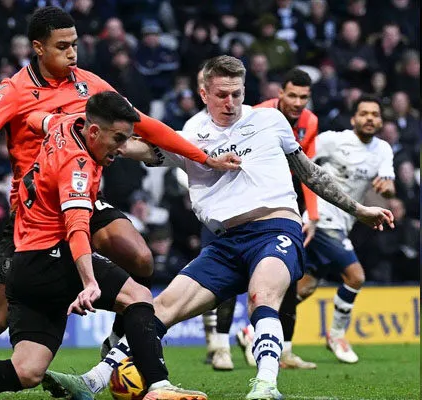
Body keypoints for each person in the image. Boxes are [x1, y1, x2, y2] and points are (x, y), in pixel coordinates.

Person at [43, 55, 393, 400]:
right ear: (203, 94)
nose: (231, 102)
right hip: (225, 244)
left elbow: (309, 173)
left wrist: (359, 208)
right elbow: (136, 147)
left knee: (262, 296)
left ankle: (266, 385)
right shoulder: (189, 136)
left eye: (237, 93)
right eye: (222, 95)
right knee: (158, 308)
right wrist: (92, 130)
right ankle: (92, 381)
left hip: (275, 229)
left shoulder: (270, 120)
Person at [0, 6, 241, 377]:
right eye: (62, 46)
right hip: (34, 214)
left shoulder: (90, 85)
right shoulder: (14, 89)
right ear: (38, 47)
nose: (72, 53)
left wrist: (205, 158)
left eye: (75, 44)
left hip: (81, 195)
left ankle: (116, 342)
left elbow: (145, 126)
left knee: (141, 258)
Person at [0, 91, 207, 400]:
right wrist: (90, 280)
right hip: (54, 259)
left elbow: (38, 118)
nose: (122, 148)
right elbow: (78, 227)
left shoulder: (64, 125)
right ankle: (158, 385)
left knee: (26, 370)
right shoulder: (77, 167)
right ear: (93, 131)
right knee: (138, 295)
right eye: (118, 139)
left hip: (26, 267)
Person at [209, 68, 321, 371]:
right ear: (279, 93)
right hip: (241, 201)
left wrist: (311, 214)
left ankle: (283, 349)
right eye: (293, 95)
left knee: (289, 275)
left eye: (304, 97)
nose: (298, 102)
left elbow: (306, 170)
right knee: (230, 276)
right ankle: (220, 346)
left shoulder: (310, 123)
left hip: (282, 204)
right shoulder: (257, 115)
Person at [287, 96, 394, 364]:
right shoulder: (333, 140)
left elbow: (389, 183)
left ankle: (253, 333)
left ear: (380, 121)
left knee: (305, 288)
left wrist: (387, 188)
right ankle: (336, 335)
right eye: (364, 113)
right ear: (354, 118)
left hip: (344, 224)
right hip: (320, 219)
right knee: (355, 276)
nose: (370, 118)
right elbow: (301, 158)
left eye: (375, 114)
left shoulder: (383, 150)